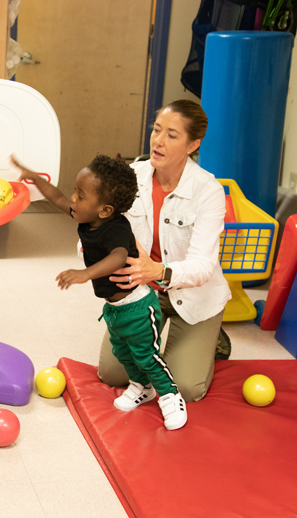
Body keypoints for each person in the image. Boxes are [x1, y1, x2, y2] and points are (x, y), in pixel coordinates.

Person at [13, 154, 187, 430]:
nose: (73, 199)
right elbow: (57, 199)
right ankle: (142, 387)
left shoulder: (117, 228)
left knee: (147, 355)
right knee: (123, 352)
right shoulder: (86, 218)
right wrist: (34, 177)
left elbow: (118, 257)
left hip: (139, 307)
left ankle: (170, 394)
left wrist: (85, 274)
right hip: (115, 309)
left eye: (80, 196)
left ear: (104, 210)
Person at [101, 99, 231, 403]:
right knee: (113, 374)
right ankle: (152, 337)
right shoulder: (129, 177)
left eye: (172, 135)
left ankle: (213, 338)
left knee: (185, 388)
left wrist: (158, 271)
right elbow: (96, 230)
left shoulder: (208, 191)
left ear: (192, 144)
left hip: (192, 295)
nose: (158, 141)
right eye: (157, 130)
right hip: (141, 294)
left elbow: (202, 266)